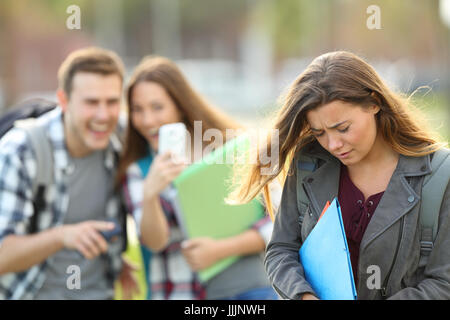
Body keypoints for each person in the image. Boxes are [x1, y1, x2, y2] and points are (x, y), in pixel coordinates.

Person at [228, 51, 450, 300]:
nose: (333, 144)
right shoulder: (307, 163)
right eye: (319, 132)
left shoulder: (441, 176)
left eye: (342, 128)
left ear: (374, 103)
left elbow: (443, 283)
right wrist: (303, 295)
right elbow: (281, 249)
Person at [117, 55, 278, 300]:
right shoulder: (138, 170)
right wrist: (151, 193)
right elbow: (154, 241)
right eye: (138, 110)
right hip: (178, 294)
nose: (147, 120)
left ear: (180, 105)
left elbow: (275, 223)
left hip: (245, 291)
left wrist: (219, 250)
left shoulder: (226, 149)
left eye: (157, 107)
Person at [0, 47, 136, 299]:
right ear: (63, 101)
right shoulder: (21, 150)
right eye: (91, 102)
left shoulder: (121, 139)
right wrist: (62, 237)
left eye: (112, 102)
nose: (103, 115)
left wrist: (116, 259)